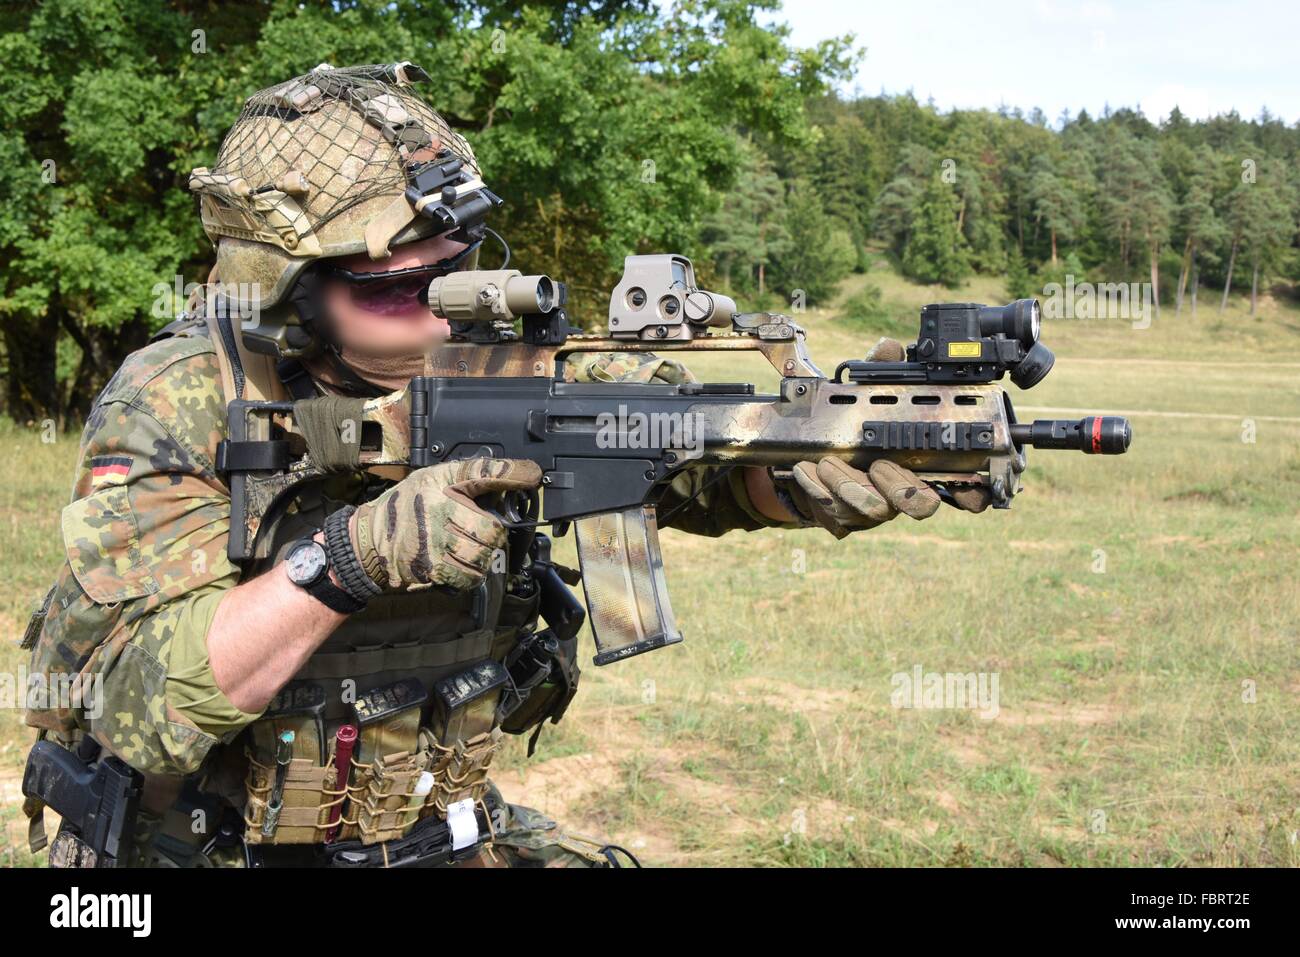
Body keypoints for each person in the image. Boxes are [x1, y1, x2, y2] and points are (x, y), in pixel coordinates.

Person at [21, 63, 986, 868]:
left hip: (428, 831)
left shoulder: (511, 357)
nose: (448, 310)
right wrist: (351, 560)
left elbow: (695, 453)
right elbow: (135, 711)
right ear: (290, 294)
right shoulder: (178, 398)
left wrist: (809, 466)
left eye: (467, 260)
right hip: (202, 850)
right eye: (401, 288)